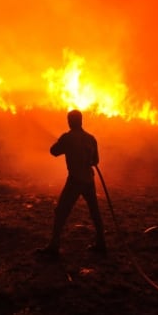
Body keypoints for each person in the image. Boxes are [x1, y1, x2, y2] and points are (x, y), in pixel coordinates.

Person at [36, 110, 106, 257]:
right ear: (81, 121)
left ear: (69, 121)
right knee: (94, 211)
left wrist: (61, 142)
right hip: (89, 179)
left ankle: (54, 246)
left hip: (75, 180)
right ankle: (101, 243)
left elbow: (54, 151)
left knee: (61, 211)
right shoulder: (91, 138)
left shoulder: (67, 138)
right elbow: (96, 161)